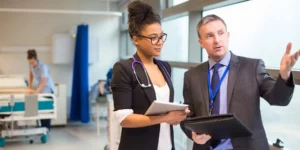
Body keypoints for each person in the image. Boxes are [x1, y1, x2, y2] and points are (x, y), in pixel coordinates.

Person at [180, 14, 299, 150]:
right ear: (201, 43)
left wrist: (284, 75)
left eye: (220, 33)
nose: (217, 40)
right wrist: (193, 134)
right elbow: (187, 117)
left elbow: (278, 98)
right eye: (209, 36)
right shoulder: (191, 76)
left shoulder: (252, 67)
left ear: (228, 35)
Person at [110, 1, 189, 150]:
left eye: (161, 36)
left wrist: (177, 112)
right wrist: (166, 118)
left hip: (166, 145)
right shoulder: (124, 69)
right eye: (153, 37)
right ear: (136, 39)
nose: (159, 42)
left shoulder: (164, 67)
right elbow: (124, 119)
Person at [27, 49, 55, 131]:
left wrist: (37, 92)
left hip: (47, 88)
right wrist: (29, 86)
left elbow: (44, 82)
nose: (31, 64)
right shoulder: (31, 65)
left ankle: (46, 128)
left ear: (36, 59)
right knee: (40, 109)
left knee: (46, 109)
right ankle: (42, 127)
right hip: (40, 87)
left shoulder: (43, 67)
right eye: (30, 62)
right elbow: (31, 75)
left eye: (32, 62)